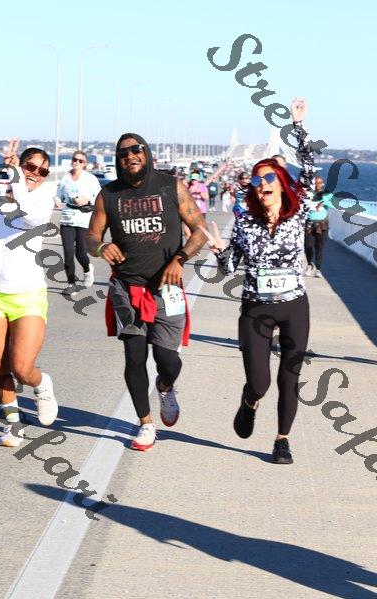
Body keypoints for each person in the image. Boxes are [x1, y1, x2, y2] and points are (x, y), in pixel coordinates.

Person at [203, 99, 314, 464]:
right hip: (256, 308)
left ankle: (282, 440)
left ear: (281, 184)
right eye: (256, 180)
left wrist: (298, 126)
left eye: (269, 179)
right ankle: (249, 401)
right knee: (261, 382)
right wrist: (219, 251)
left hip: (294, 305)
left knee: (289, 377)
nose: (262, 184)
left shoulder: (297, 215)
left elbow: (309, 167)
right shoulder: (245, 223)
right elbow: (228, 268)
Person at [86, 133, 207, 452]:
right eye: (123, 152)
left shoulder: (171, 186)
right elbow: (91, 237)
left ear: (146, 153)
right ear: (118, 159)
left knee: (168, 360)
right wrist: (101, 247)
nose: (130, 155)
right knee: (134, 356)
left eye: (136, 149)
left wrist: (180, 259)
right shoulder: (109, 194)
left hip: (167, 288)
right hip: (127, 288)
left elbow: (200, 230)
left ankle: (166, 386)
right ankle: (146, 423)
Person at [0, 139, 58, 447]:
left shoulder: (40, 202)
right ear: (21, 165)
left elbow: (27, 216)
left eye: (42, 171)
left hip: (28, 295)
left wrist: (15, 176)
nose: (36, 173)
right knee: (0, 365)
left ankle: (42, 385)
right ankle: (13, 425)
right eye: (30, 166)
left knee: (22, 368)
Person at [57, 150, 101, 294]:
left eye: (80, 161)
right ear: (72, 161)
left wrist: (87, 200)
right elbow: (59, 195)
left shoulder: (90, 179)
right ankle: (71, 284)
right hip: (67, 218)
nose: (77, 162)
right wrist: (57, 200)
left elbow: (99, 197)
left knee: (80, 253)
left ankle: (87, 269)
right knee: (68, 253)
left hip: (84, 218)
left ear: (85, 164)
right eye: (75, 159)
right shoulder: (65, 178)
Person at [304, 176, 334, 277]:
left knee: (319, 247)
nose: (318, 185)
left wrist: (324, 201)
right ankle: (309, 265)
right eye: (316, 183)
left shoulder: (327, 194)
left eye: (320, 183)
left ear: (323, 184)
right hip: (310, 223)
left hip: (322, 224)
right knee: (308, 246)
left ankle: (318, 269)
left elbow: (334, 204)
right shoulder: (309, 193)